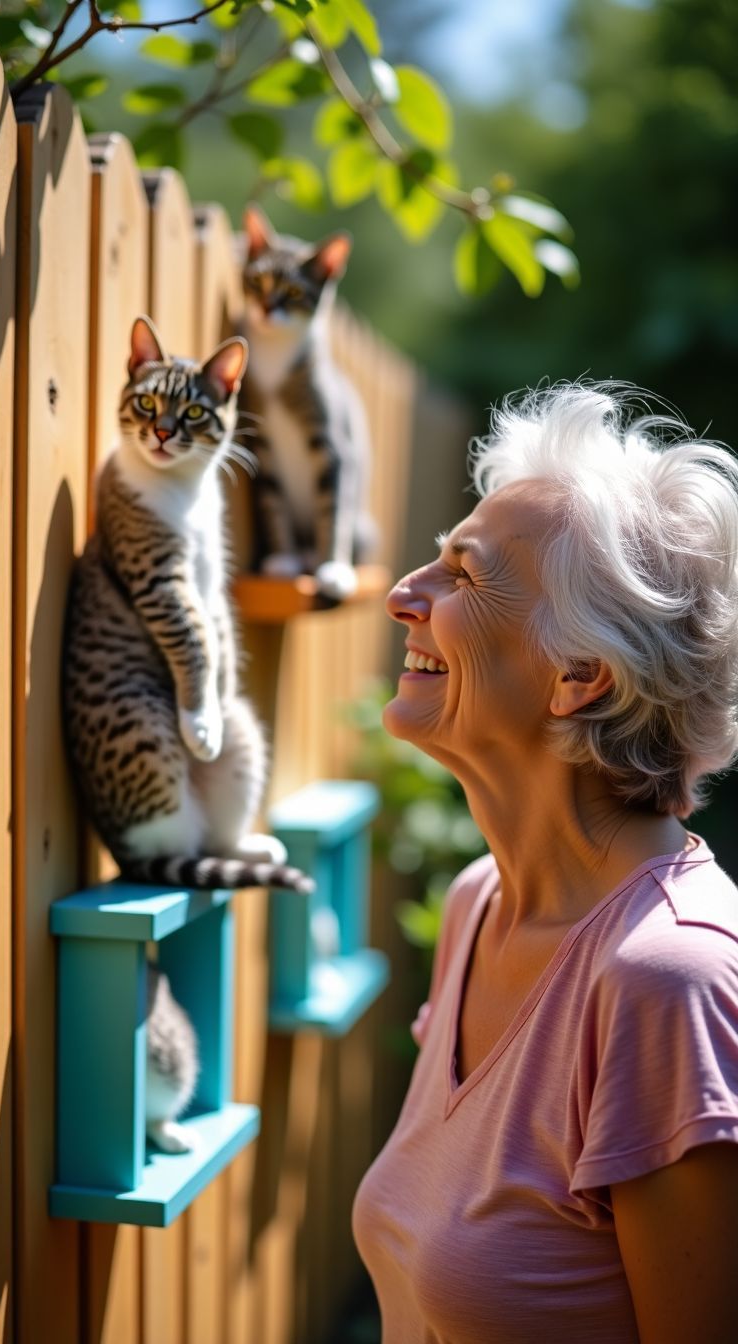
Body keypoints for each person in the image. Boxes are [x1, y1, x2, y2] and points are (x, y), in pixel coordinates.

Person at [353, 382, 738, 1344]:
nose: (405, 593)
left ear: (580, 676)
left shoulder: (668, 985)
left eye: (463, 575)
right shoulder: (481, 901)